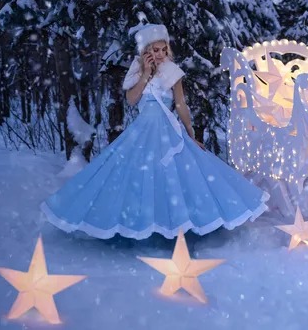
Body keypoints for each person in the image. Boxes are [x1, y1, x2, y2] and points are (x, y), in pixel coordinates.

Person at [40, 23, 269, 240]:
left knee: (174, 177)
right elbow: (131, 100)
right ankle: (135, 223)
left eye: (163, 49)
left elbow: (180, 105)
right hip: (141, 131)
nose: (160, 54)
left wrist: (191, 135)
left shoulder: (172, 71)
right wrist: (145, 74)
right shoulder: (137, 70)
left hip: (167, 130)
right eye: (155, 50)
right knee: (136, 175)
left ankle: (177, 223)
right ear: (146, 51)